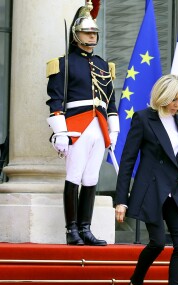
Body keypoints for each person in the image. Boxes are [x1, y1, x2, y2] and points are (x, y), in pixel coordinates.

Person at [46, 0, 119, 246]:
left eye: (94, 32)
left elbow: (111, 101)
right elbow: (55, 101)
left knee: (91, 178)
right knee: (74, 176)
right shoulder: (63, 64)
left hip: (99, 127)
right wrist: (60, 132)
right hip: (76, 125)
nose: (92, 35)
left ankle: (86, 228)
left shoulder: (102, 65)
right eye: (87, 31)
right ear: (76, 34)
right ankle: (71, 230)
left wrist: (114, 129)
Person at [115, 74, 178, 285]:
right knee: (157, 242)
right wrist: (121, 200)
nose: (177, 105)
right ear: (162, 96)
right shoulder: (143, 118)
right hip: (151, 190)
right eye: (174, 100)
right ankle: (136, 282)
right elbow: (127, 160)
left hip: (175, 191)